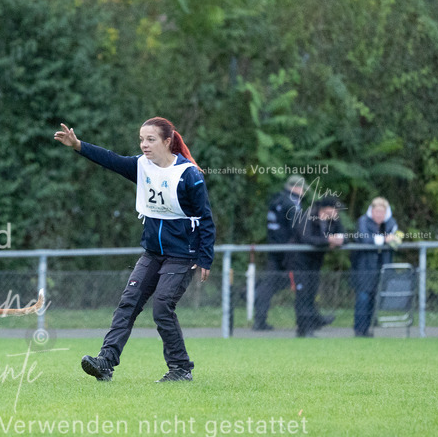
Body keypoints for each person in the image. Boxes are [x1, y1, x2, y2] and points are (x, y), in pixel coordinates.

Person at [54, 118, 215, 382]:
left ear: (167, 141)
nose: (144, 145)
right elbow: (110, 159)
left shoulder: (189, 175)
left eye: (150, 139)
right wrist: (78, 145)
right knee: (128, 303)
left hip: (182, 255)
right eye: (141, 139)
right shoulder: (141, 166)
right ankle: (105, 361)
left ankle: (181, 369)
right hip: (152, 253)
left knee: (162, 306)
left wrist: (205, 257)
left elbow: (206, 219)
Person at [252, 175, 306, 331]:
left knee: (270, 284)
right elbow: (297, 228)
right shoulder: (292, 202)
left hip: (274, 248)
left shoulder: (276, 200)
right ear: (296, 187)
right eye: (302, 188)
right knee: (303, 282)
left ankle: (259, 318)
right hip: (289, 251)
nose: (303, 192)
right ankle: (306, 321)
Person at [292, 196, 345, 337]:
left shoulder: (334, 221)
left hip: (315, 262)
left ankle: (312, 323)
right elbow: (306, 238)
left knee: (311, 292)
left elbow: (343, 235)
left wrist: (339, 240)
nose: (337, 212)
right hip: (299, 261)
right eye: (335, 209)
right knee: (303, 294)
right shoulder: (308, 217)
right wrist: (328, 240)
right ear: (325, 208)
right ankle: (304, 328)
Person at [351, 197, 399, 337]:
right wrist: (384, 240)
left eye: (382, 213)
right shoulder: (363, 222)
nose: (379, 215)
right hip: (364, 266)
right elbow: (365, 240)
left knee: (373, 297)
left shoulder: (390, 223)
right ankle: (359, 329)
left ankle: (367, 329)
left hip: (381, 265)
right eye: (376, 212)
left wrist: (392, 239)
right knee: (363, 296)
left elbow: (396, 239)